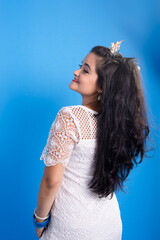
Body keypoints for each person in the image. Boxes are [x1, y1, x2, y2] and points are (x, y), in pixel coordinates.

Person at [33, 40, 150, 239]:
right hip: (109, 225)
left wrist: (39, 219)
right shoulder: (117, 124)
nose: (75, 72)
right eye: (80, 66)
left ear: (102, 86)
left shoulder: (70, 117)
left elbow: (51, 181)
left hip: (72, 228)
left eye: (85, 70)